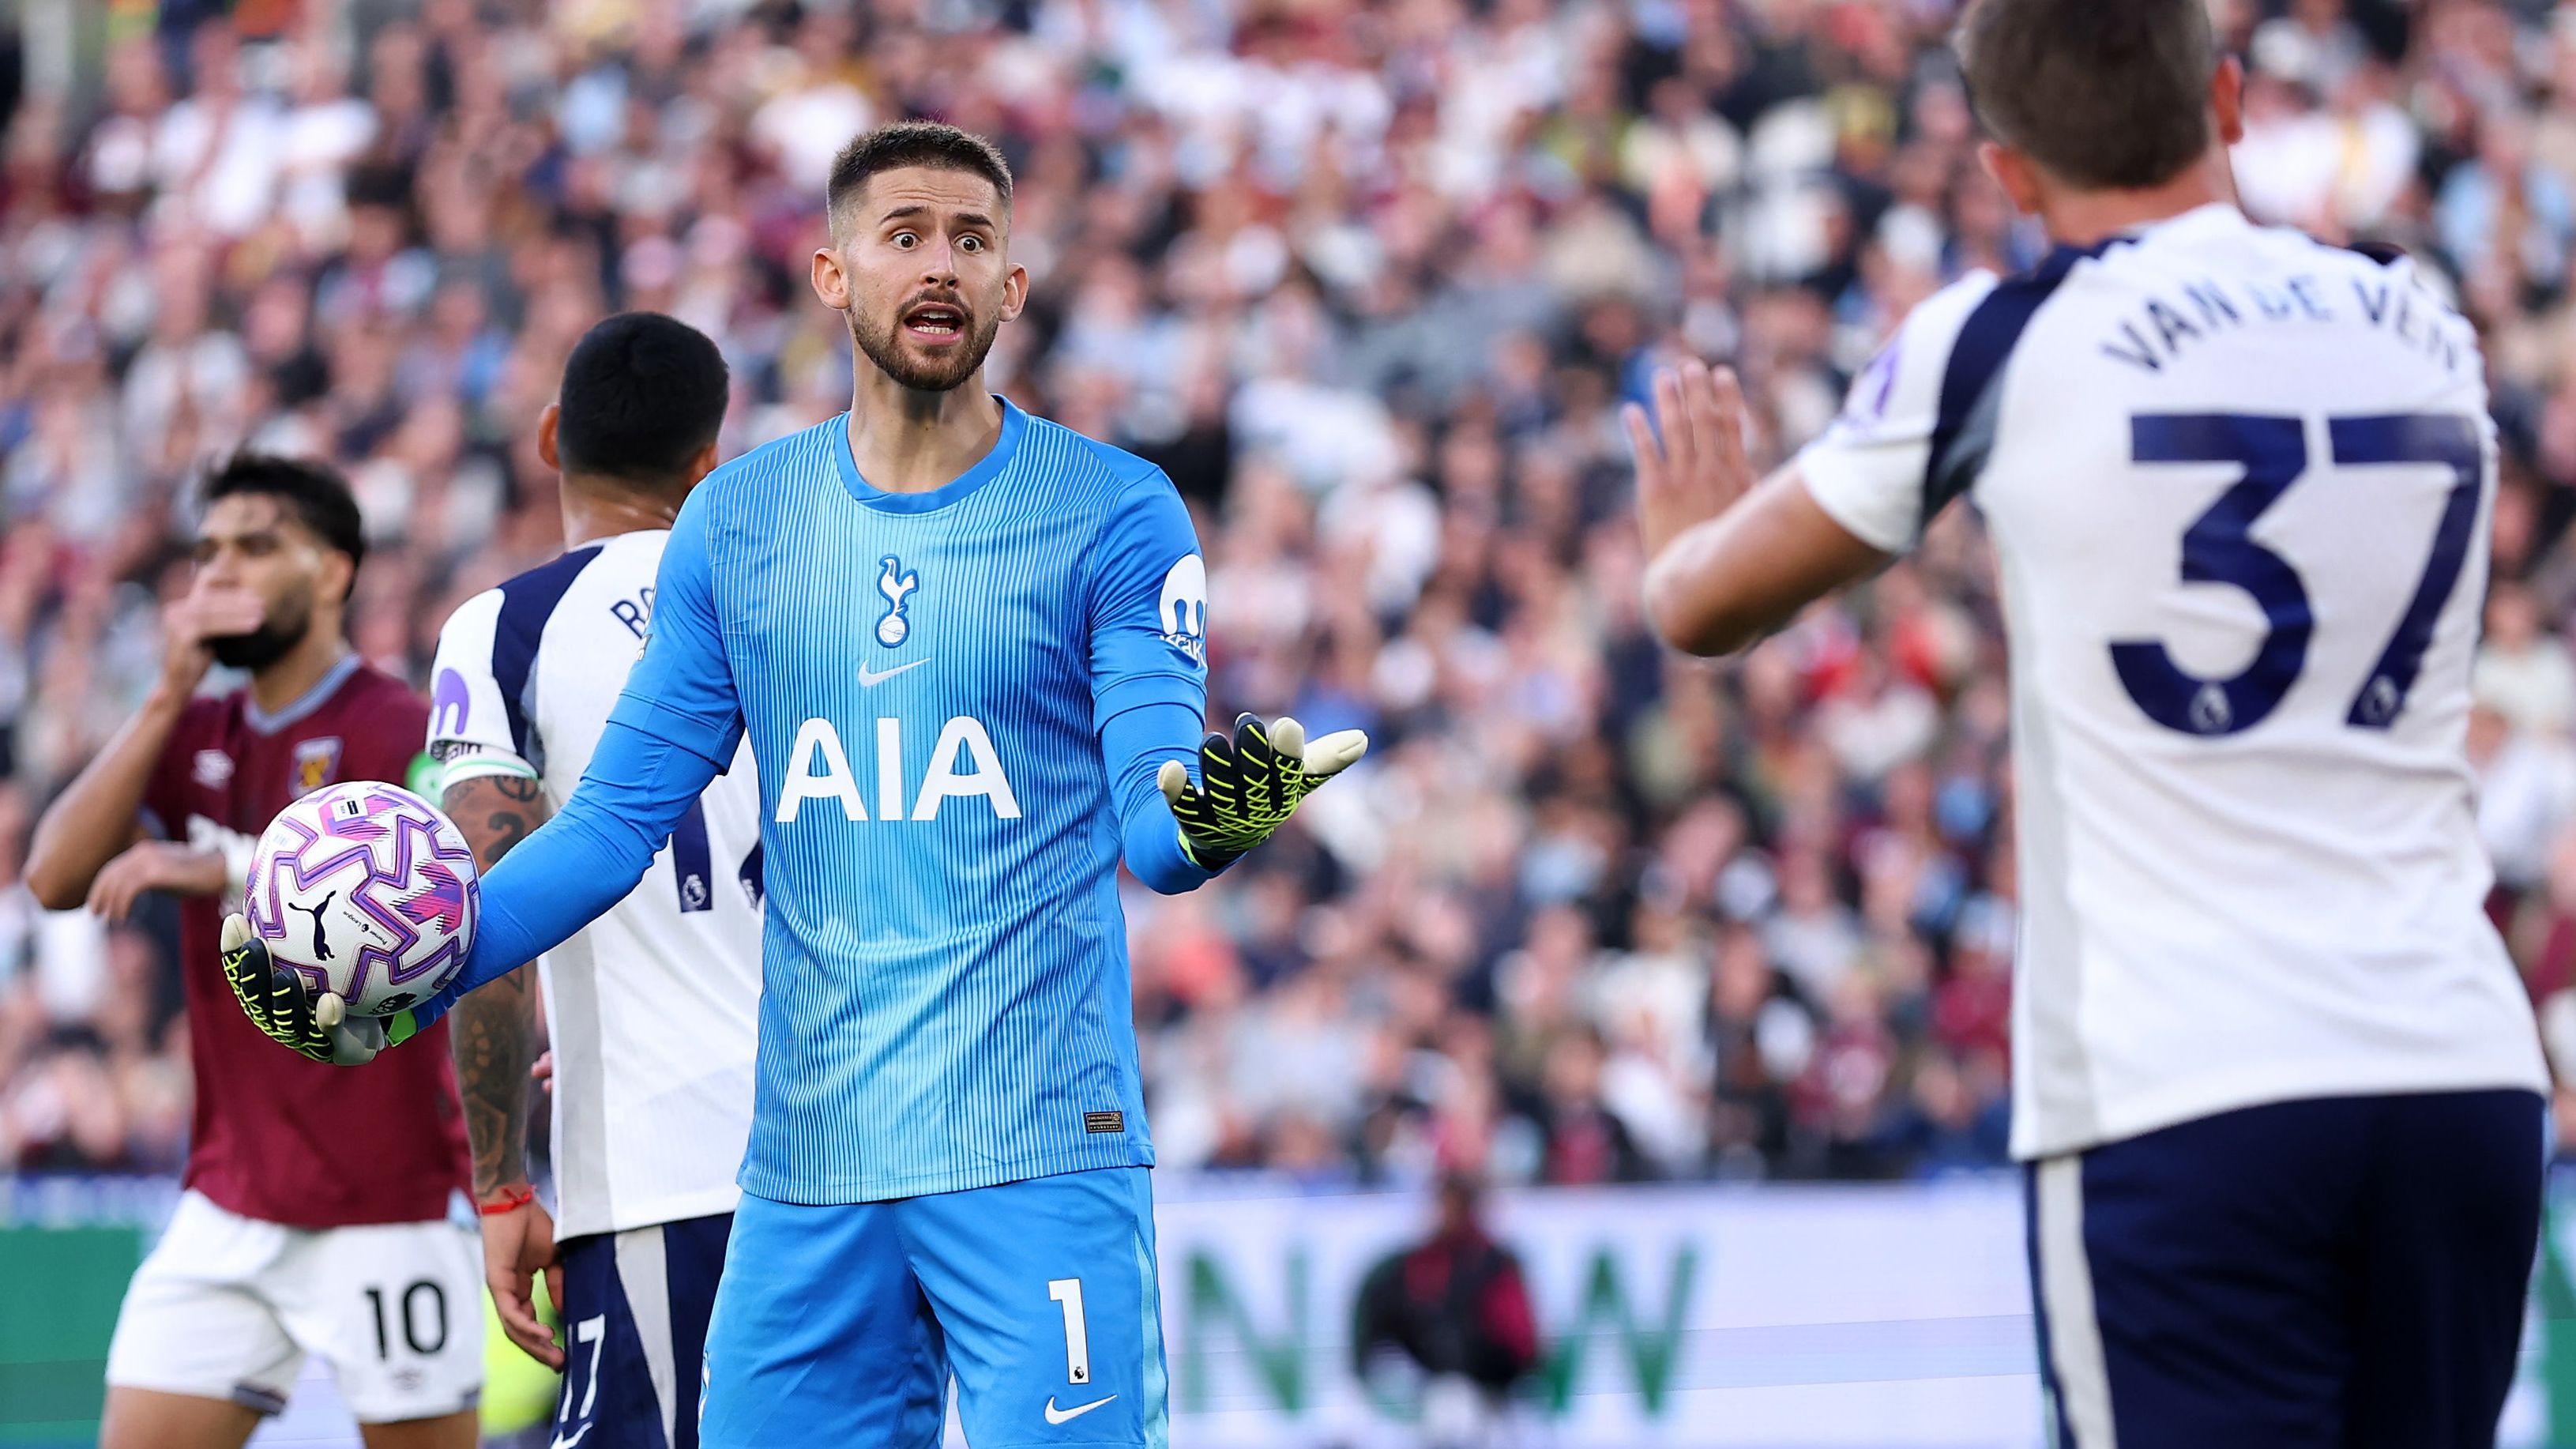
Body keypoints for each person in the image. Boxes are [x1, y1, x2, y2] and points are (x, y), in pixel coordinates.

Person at [225, 119, 1365, 1447]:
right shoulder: (741, 521)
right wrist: (433, 953)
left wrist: (1213, 816)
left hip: (1038, 1148)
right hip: (809, 1173)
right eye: (905, 236)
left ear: (1013, 286)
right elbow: (605, 831)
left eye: (972, 239)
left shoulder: (1114, 510)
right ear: (832, 274)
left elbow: (1155, 829)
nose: (940, 264)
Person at [1626, 2, 2549, 1445]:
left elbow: (1703, 605)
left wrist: (1685, 529)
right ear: (2228, 99)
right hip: (2456, 1067)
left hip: (2184, 1087)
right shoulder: (2416, 317)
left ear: (2006, 172)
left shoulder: (2004, 340)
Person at [23, 456, 479, 1449]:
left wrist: (223, 864)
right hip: (231, 1199)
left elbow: (443, 916)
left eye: (254, 547)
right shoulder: (191, 731)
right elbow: (52, 878)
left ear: (330, 573)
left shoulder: (399, 725)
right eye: (208, 552)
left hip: (387, 1197)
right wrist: (163, 694)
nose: (217, 574)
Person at [424, 311, 758, 1447]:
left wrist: (503, 1182)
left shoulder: (502, 630)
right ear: (710, 462)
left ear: (550, 435)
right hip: (856, 1162)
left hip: (664, 1170)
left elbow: (489, 908)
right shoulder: (798, 605)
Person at [1352, 1173, 1540, 1447]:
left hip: (1483, 1387)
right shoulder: (1418, 1262)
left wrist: (1482, 1371)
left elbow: (1520, 1340)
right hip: (1421, 1381)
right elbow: (1390, 1324)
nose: (1439, 1215)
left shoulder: (1493, 1265)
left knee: (1454, 1409)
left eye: (1448, 1206)